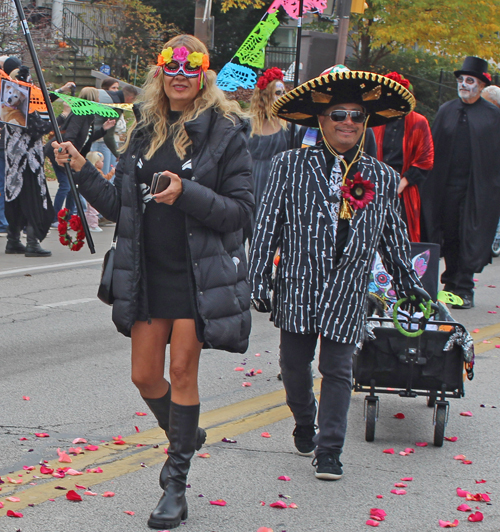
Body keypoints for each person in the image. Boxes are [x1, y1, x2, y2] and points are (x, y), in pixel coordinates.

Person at [52, 34, 253, 530]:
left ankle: (175, 484)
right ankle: (186, 434)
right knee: (145, 376)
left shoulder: (226, 132)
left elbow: (240, 214)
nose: (180, 75)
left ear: (204, 75)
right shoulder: (143, 129)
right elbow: (122, 208)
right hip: (147, 271)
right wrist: (79, 170)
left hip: (196, 275)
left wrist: (187, 194)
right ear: (160, 72)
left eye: (191, 68)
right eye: (171, 66)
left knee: (183, 371)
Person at [249, 66, 426, 481]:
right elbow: (267, 226)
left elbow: (393, 238)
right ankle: (304, 420)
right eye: (339, 114)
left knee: (338, 370)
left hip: (348, 290)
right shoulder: (288, 165)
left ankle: (329, 450)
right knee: (294, 367)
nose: (349, 122)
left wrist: (410, 287)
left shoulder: (381, 177)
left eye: (357, 116)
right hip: (298, 285)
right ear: (321, 121)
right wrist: (257, 277)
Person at [421, 56, 500, 309]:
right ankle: (449, 284)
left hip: (478, 189)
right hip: (446, 187)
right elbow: (432, 147)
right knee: (450, 235)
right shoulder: (446, 111)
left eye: (470, 80)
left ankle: (465, 287)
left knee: (471, 236)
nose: (463, 85)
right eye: (461, 80)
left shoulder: (493, 116)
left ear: (480, 85)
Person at [372, 71, 434, 242]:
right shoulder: (375, 119)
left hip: (404, 187)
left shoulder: (419, 122)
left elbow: (425, 160)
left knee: (401, 238)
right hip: (375, 185)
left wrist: (400, 185)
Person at [3, 66, 58, 256]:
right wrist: (59, 121)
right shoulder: (19, 103)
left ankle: (13, 240)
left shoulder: (9, 101)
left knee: (17, 201)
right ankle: (32, 243)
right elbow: (35, 128)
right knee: (32, 200)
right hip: (26, 162)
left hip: (15, 161)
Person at [45, 87, 116, 224]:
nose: (99, 101)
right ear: (92, 99)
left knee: (73, 186)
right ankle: (54, 217)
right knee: (66, 185)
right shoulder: (80, 114)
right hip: (60, 153)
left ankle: (71, 217)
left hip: (71, 154)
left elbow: (87, 138)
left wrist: (103, 130)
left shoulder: (89, 115)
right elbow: (70, 136)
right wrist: (71, 155)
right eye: (97, 98)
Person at [248, 67, 289, 214]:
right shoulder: (247, 125)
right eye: (278, 93)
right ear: (265, 96)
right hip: (249, 182)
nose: (282, 96)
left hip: (277, 183)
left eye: (284, 93)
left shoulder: (289, 127)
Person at [84, 151, 115, 232]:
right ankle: (93, 225)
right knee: (93, 210)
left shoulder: (89, 170)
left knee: (89, 210)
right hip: (94, 193)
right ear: (96, 163)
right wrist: (112, 173)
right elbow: (105, 179)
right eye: (101, 161)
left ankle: (87, 223)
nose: (103, 163)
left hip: (89, 191)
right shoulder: (98, 172)